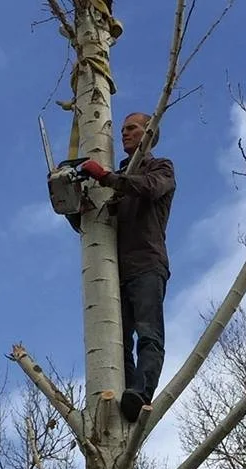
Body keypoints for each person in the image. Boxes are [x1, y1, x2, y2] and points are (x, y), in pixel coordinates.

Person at [81, 113, 176, 423]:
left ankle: (141, 392)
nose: (125, 134)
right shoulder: (117, 178)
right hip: (115, 271)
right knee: (117, 339)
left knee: (149, 332)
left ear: (149, 133)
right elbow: (100, 221)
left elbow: (148, 188)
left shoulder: (160, 167)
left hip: (147, 263)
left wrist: (107, 178)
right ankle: (123, 393)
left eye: (132, 128)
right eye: (121, 130)